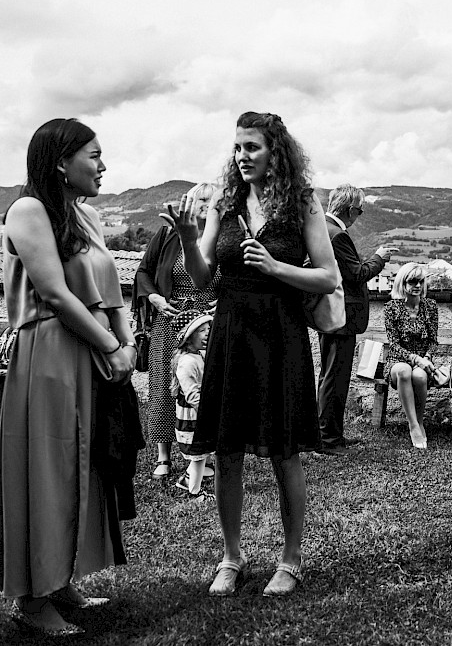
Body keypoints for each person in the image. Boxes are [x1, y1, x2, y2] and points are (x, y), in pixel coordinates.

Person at [161, 111, 340, 598]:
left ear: (274, 152)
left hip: (280, 332)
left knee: (283, 452)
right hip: (232, 331)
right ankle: (231, 557)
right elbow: (200, 279)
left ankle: (291, 559)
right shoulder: (225, 199)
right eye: (238, 147)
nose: (242, 156)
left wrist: (277, 266)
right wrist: (185, 235)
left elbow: (328, 276)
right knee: (228, 450)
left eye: (252, 147)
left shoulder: (301, 202)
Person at [2, 118, 142, 636]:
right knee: (48, 469)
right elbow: (57, 295)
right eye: (94, 156)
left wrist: (127, 344)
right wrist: (110, 345)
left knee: (84, 464)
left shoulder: (89, 217)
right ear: (62, 161)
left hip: (95, 356)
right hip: (51, 356)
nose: (103, 166)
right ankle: (33, 601)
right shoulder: (27, 210)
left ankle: (60, 581)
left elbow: (112, 293)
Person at [133, 182, 220, 479]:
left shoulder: (221, 238)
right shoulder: (168, 234)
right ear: (190, 203)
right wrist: (155, 298)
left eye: (213, 200)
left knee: (201, 389)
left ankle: (201, 456)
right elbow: (143, 272)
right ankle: (163, 456)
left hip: (206, 325)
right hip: (168, 322)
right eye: (202, 199)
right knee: (164, 388)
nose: (207, 204)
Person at [315, 183, 396, 456]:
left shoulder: (323, 227)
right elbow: (356, 274)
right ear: (350, 209)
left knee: (328, 375)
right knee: (335, 378)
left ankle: (329, 434)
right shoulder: (338, 236)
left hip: (329, 312)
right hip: (341, 315)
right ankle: (329, 441)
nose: (359, 216)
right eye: (360, 211)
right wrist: (379, 258)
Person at [383, 262, 439, 448]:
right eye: (412, 281)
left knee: (420, 376)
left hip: (423, 361)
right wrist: (416, 359)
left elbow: (433, 340)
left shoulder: (430, 306)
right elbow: (394, 344)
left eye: (421, 281)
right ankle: (413, 426)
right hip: (398, 360)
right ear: (402, 283)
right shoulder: (392, 308)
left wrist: (427, 359)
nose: (417, 286)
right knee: (404, 372)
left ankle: (420, 421)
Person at [171, 310, 214, 501]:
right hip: (193, 416)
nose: (207, 333)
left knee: (201, 453)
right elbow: (192, 394)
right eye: (201, 331)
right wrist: (206, 415)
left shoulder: (198, 356)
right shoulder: (187, 362)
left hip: (200, 413)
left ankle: (187, 480)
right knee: (198, 455)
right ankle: (194, 493)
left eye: (208, 329)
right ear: (189, 338)